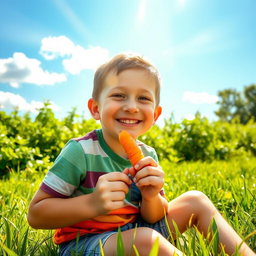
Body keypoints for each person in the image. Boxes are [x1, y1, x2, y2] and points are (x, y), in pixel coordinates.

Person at [27, 53, 255, 256]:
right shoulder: (81, 151)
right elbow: (36, 215)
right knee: (146, 240)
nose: (132, 107)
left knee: (195, 200)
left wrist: (151, 196)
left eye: (143, 98)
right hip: (84, 243)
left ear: (155, 114)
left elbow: (153, 217)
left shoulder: (148, 154)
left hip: (135, 230)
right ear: (96, 108)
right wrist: (93, 203)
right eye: (118, 95)